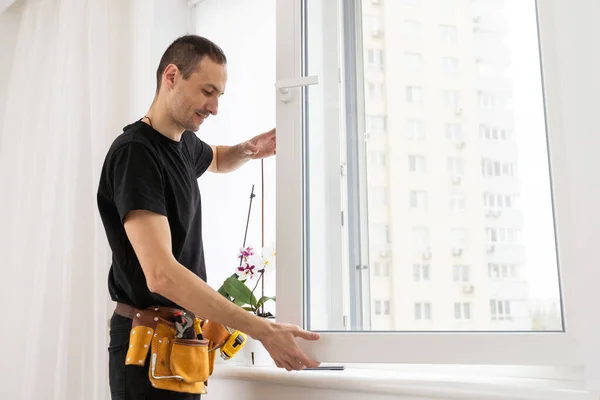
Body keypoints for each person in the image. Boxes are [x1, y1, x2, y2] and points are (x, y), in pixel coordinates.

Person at [97, 34, 320, 400]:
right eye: (207, 91)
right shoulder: (136, 155)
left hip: (180, 343)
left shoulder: (182, 142)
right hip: (147, 348)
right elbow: (161, 274)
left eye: (219, 96)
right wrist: (262, 330)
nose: (214, 107)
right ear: (171, 76)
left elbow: (214, 157)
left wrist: (249, 150)